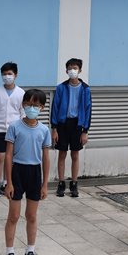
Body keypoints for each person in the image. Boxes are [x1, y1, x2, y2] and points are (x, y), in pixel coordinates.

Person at [3, 89, 51, 255]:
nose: (32, 108)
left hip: (34, 173)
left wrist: (45, 184)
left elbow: (45, 158)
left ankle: (30, 252)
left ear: (42, 107)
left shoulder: (44, 130)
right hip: (17, 171)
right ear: (23, 104)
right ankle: (9, 253)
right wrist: (9, 182)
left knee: (31, 215)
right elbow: (8, 155)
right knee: (14, 216)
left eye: (36, 105)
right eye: (29, 104)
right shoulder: (14, 127)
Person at [50, 58, 92, 198]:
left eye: (75, 68)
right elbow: (55, 108)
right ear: (66, 70)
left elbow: (88, 110)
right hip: (63, 124)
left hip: (77, 125)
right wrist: (54, 129)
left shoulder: (85, 89)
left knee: (75, 154)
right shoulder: (61, 88)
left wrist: (85, 131)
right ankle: (61, 183)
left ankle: (74, 183)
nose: (72, 71)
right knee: (62, 154)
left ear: (80, 70)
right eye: (70, 68)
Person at [0, 61, 25, 198]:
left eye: (9, 73)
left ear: (15, 75)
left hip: (14, 131)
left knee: (11, 158)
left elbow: (22, 112)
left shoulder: (21, 93)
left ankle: (8, 182)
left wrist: (22, 129)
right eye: (4, 74)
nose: (7, 76)